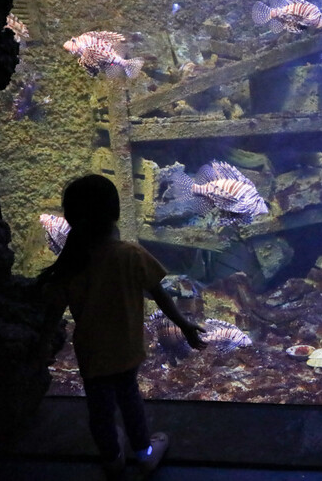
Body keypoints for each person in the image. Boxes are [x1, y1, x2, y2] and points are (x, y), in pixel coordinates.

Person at [38, 174, 206, 479]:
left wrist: (41, 344)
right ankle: (145, 454)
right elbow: (160, 293)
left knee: (100, 411)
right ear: (115, 213)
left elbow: (53, 308)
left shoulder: (71, 262)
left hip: (91, 354)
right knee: (130, 402)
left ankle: (113, 459)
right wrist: (185, 325)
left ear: (72, 217)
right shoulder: (131, 254)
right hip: (127, 349)